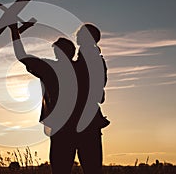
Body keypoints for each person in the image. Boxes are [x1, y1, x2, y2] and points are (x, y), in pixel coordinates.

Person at [8, 23, 109, 174]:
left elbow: (21, 56)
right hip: (89, 126)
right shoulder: (88, 65)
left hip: (64, 130)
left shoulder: (50, 69)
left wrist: (14, 32)